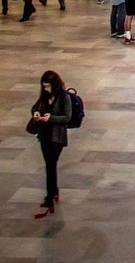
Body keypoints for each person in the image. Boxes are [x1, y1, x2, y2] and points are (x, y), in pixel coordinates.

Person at [30, 70, 72, 218]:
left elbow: (67, 117)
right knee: (49, 164)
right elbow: (35, 107)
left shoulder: (64, 97)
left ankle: (50, 197)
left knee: (50, 164)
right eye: (44, 86)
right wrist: (36, 113)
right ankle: (53, 192)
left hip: (57, 137)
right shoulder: (45, 96)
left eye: (48, 86)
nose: (46, 89)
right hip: (44, 135)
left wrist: (51, 118)